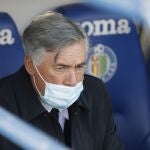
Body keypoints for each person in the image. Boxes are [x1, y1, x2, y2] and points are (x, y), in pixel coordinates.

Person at [0, 11, 124, 150]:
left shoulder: (95, 92)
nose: (73, 80)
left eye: (79, 66)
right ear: (30, 65)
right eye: (61, 68)